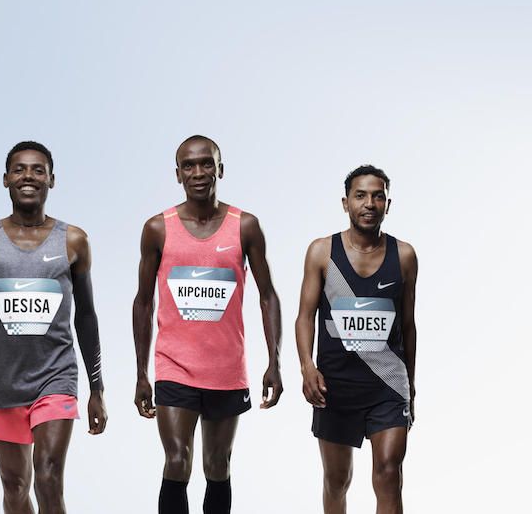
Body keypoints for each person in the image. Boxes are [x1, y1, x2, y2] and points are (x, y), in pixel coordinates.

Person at [0, 141, 107, 514]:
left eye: (38, 170)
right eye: (20, 169)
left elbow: (86, 317)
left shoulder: (73, 241)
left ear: (51, 180)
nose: (28, 176)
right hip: (5, 382)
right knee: (16, 487)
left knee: (49, 478)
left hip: (56, 378)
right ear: (6, 179)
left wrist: (97, 388)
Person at [132, 135, 283, 514]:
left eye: (206, 163)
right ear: (178, 173)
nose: (198, 172)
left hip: (226, 371)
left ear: (220, 168)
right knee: (178, 460)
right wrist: (141, 373)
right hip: (174, 367)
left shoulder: (245, 226)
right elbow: (144, 301)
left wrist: (274, 362)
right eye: (189, 165)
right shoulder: (157, 228)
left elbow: (268, 295)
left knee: (217, 465)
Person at [294, 165, 418, 514]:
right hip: (335, 386)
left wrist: (412, 384)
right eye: (360, 195)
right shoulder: (321, 252)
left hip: (388, 387)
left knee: (389, 473)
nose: (369, 203)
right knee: (337, 481)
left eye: (378, 196)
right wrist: (307, 367)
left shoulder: (404, 256)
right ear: (345, 202)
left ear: (387, 204)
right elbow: (305, 316)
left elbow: (408, 326)